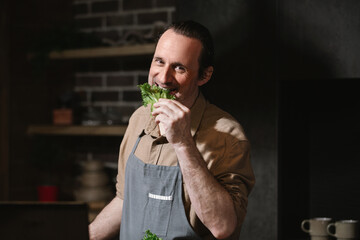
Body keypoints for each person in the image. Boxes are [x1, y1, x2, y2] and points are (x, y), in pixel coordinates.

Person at [89, 20, 255, 240]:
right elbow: (124, 200)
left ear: (204, 75)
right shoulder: (139, 119)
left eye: (179, 68)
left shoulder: (228, 136)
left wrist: (183, 142)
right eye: (159, 62)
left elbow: (222, 226)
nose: (163, 78)